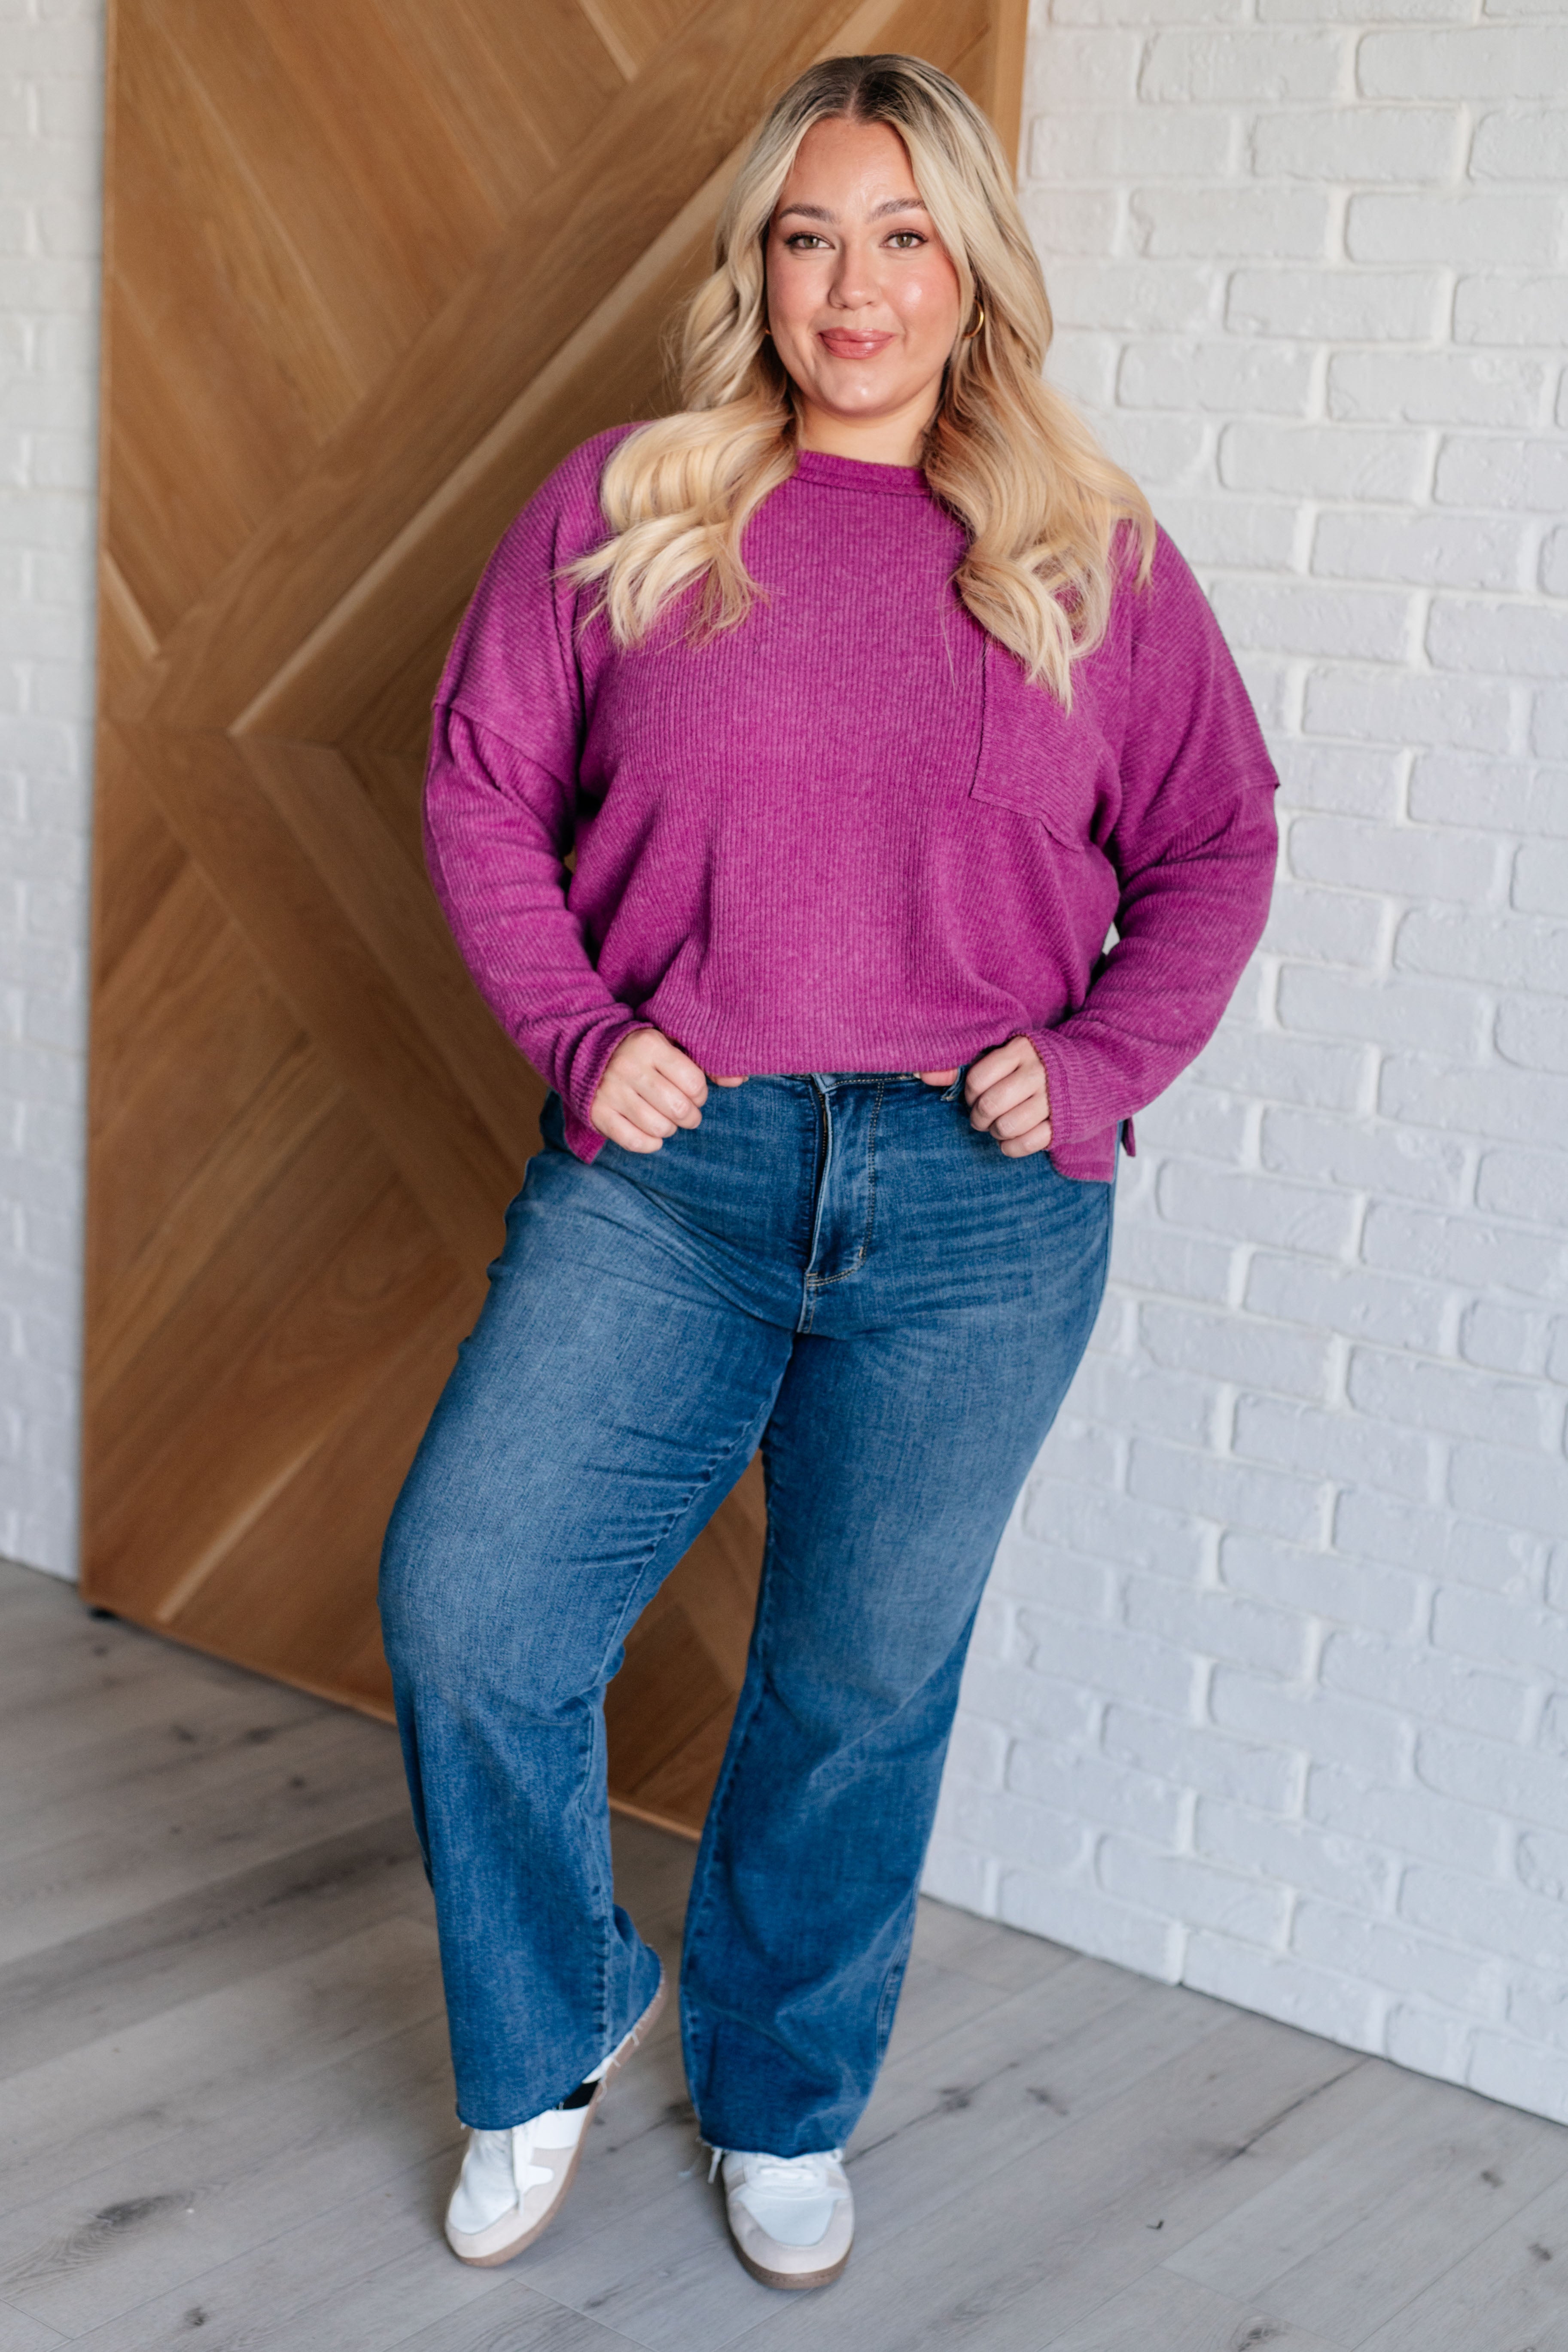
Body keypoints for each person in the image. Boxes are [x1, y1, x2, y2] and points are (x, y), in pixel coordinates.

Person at [378, 50, 1278, 2292]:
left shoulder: (1088, 552)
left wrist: (1086, 1071)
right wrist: (586, 1038)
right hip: (665, 1182)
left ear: (969, 269)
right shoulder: (627, 501)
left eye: (898, 234)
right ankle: (558, 2010)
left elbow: (1212, 838)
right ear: (752, 266)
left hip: (976, 1218)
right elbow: (484, 788)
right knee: (472, 1606)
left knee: (856, 1685)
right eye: (805, 233)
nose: (850, 284)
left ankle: (782, 2098)